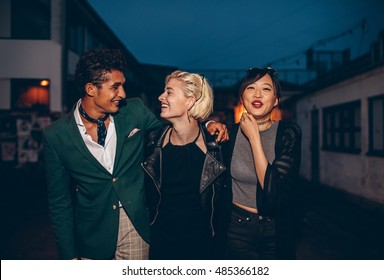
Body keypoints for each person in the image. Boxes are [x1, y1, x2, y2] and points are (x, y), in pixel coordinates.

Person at [42, 49, 228, 260]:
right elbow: (59, 201)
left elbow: (176, 128)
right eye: (115, 87)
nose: (122, 93)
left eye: (122, 85)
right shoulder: (55, 136)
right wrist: (68, 256)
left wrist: (208, 123)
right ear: (91, 89)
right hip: (92, 234)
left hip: (137, 226)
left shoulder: (135, 111)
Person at [142, 70, 227, 260]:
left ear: (190, 101)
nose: (161, 97)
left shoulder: (216, 147)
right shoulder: (152, 141)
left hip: (202, 244)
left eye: (169, 92)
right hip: (161, 241)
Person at [222, 67, 302, 259]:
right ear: (242, 98)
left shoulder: (288, 133)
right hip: (236, 228)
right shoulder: (228, 135)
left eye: (266, 89)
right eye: (251, 88)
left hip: (277, 228)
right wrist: (208, 124)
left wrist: (254, 138)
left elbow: (275, 193)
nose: (257, 94)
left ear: (276, 100)